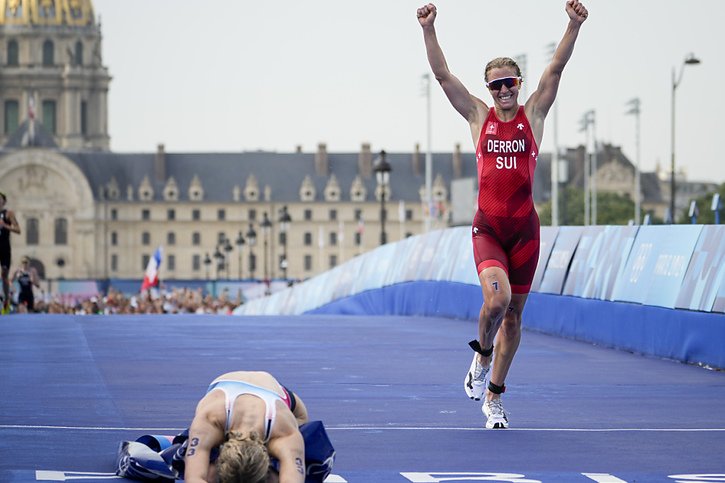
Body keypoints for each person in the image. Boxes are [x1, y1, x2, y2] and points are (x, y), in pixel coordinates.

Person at [417, 1, 588, 428]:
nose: (504, 91)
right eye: (496, 86)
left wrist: (573, 25)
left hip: (526, 231)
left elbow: (556, 70)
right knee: (497, 300)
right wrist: (429, 29)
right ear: (489, 90)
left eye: (509, 83)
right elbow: (442, 76)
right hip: (489, 227)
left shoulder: (534, 115)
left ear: (518, 83)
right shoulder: (479, 117)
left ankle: (493, 397)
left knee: (514, 316)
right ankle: (481, 353)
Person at [184, 370, 310, 483]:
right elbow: (193, 478)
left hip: (278, 397)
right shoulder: (211, 420)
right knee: (210, 475)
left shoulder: (284, 434)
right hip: (230, 389)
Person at [0, 192, 21, 314]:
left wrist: (5, 226)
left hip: (4, 248)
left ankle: (6, 300)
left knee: (4, 274)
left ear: (4, 201)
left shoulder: (8, 214)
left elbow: (18, 230)